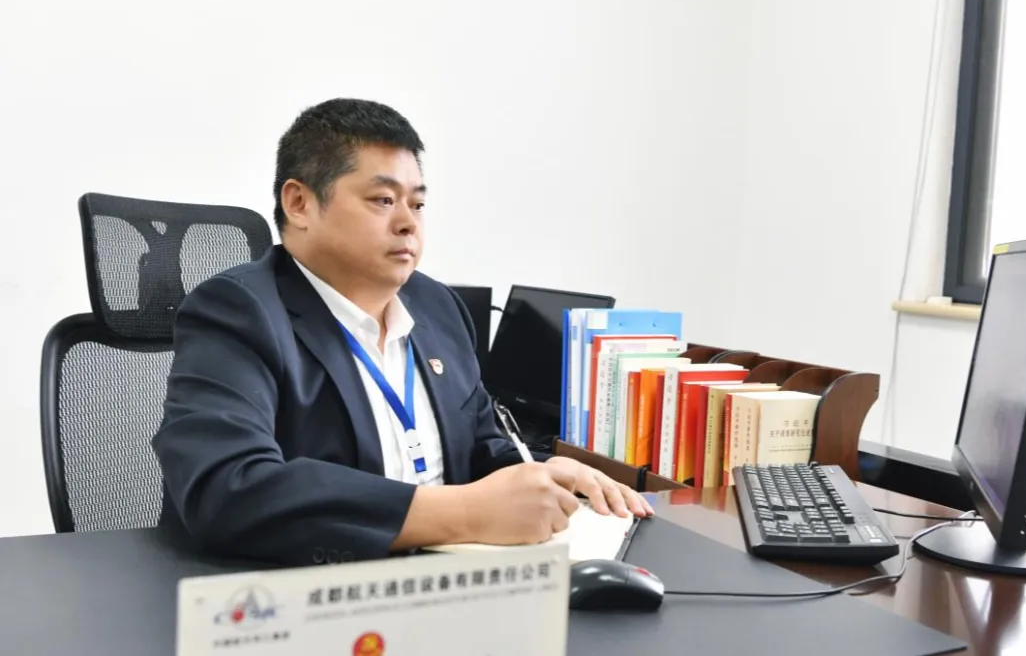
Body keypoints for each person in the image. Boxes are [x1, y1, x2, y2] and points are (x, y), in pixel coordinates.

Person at [152, 97, 652, 566]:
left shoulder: (437, 306)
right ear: (299, 203)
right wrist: (463, 512)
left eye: (417, 204)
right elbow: (228, 489)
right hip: (302, 597)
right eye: (383, 199)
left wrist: (542, 474)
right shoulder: (238, 311)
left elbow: (480, 446)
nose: (408, 224)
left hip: (449, 585)